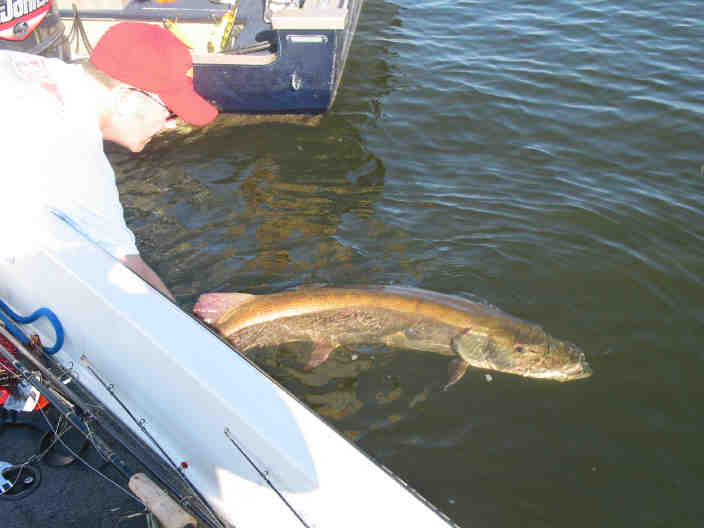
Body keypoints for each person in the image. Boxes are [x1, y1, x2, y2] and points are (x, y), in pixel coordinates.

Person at [0, 22, 218, 300]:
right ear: (127, 98)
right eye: (171, 112)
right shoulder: (77, 154)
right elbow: (132, 273)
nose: (172, 125)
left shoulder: (29, 65)